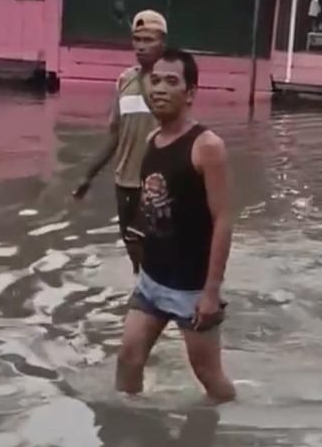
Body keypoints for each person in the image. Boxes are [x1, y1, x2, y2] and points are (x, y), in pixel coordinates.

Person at [117, 49, 236, 403]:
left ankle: (231, 428)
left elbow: (224, 219)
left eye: (172, 81)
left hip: (191, 289)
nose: (161, 88)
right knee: (128, 359)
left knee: (209, 378)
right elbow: (151, 205)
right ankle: (130, 430)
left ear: (190, 93)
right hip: (152, 280)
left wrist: (211, 292)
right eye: (155, 80)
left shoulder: (207, 146)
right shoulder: (152, 140)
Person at [73, 10, 167, 273]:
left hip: (156, 184)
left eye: (148, 39)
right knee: (131, 244)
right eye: (137, 39)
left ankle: (152, 297)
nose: (141, 46)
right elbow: (115, 134)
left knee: (147, 242)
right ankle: (141, 292)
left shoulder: (169, 81)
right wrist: (88, 175)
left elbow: (177, 130)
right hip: (124, 181)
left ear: (163, 43)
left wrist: (148, 75)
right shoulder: (125, 80)